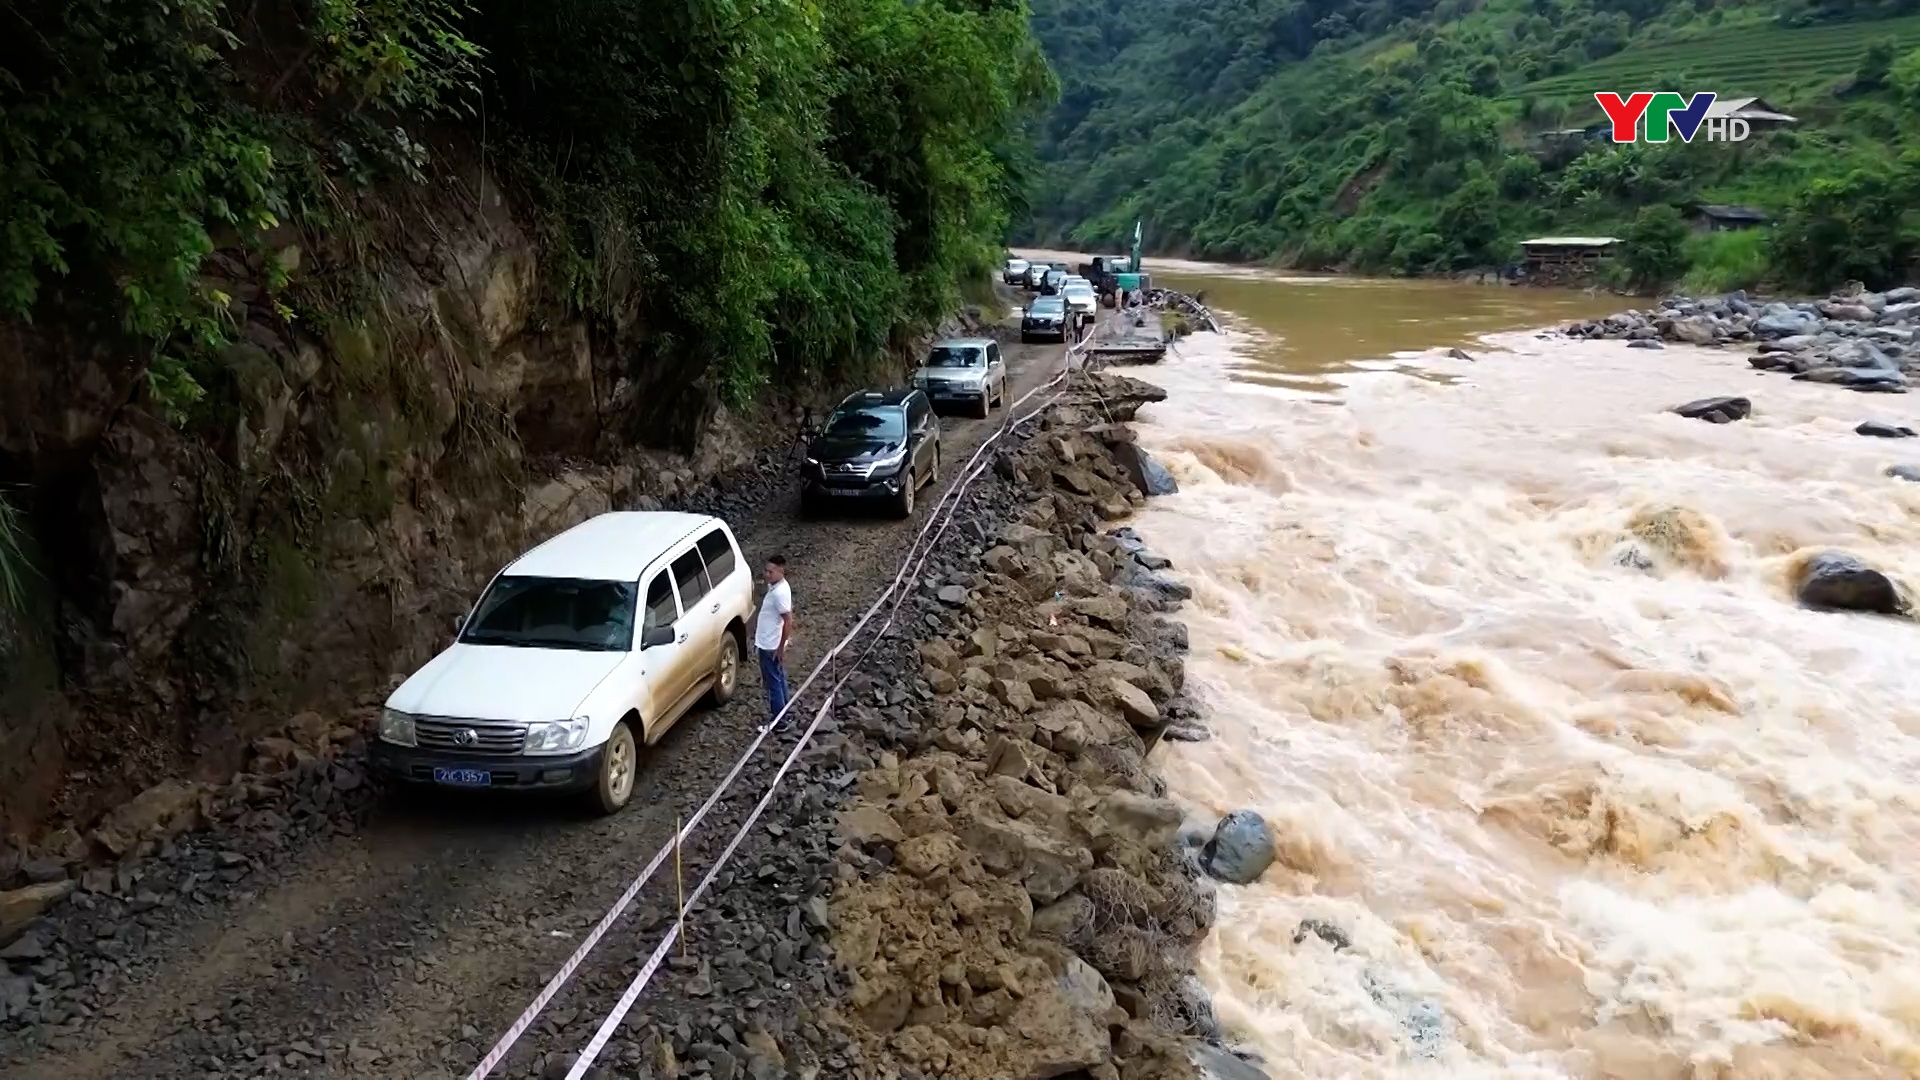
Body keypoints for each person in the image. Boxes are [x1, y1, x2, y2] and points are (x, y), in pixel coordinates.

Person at [755, 554, 794, 724]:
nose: (767, 574)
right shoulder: (777, 587)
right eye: (766, 571)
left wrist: (779, 648)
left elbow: (788, 621)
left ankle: (780, 721)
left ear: (780, 571)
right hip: (770, 642)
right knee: (779, 678)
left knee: (773, 684)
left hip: (770, 645)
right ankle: (785, 710)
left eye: (770, 572)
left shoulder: (779, 594)